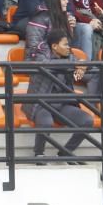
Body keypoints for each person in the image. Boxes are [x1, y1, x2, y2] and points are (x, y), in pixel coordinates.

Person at [26, 29, 96, 162]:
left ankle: (65, 152)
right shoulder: (41, 54)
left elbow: (84, 66)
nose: (69, 47)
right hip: (41, 103)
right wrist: (75, 64)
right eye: (65, 44)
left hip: (63, 103)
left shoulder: (69, 56)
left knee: (87, 121)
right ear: (54, 46)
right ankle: (39, 153)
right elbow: (46, 65)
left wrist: (83, 65)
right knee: (46, 123)